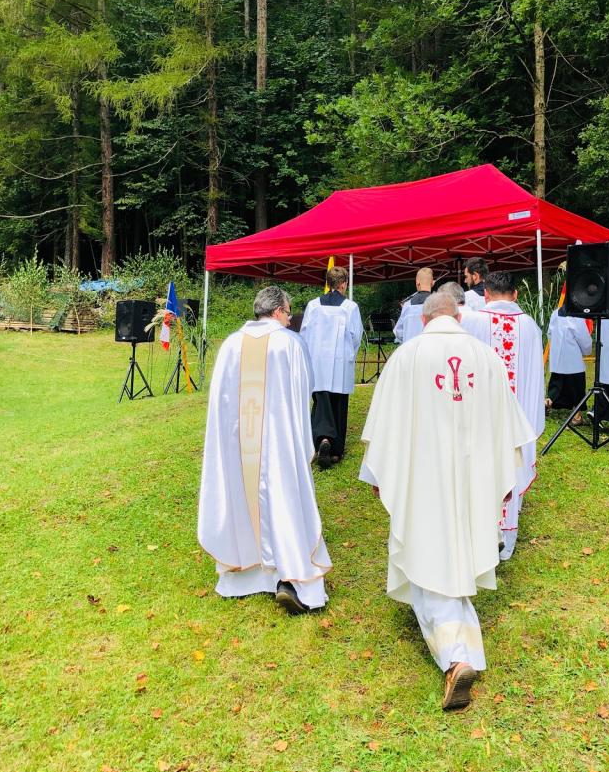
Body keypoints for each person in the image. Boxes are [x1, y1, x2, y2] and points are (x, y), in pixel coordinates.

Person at [359, 291, 534, 711]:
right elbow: (508, 428)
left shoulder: (406, 356)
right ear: (458, 316)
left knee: (427, 555)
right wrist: (504, 478)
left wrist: (379, 475)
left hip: (423, 474)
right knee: (452, 555)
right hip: (473, 475)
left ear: (423, 320)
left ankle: (457, 657)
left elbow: (384, 427)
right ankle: (462, 651)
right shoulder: (486, 357)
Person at [198, 286, 331, 613]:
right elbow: (303, 392)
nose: (289, 319)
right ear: (278, 311)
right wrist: (301, 439)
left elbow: (220, 401)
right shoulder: (289, 343)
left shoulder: (231, 344)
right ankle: (291, 577)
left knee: (243, 498)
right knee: (284, 502)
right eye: (288, 312)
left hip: (239, 441)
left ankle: (245, 576)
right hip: (278, 442)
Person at [460, 271, 545, 559]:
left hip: (480, 415)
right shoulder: (530, 327)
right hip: (519, 415)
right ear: (515, 294)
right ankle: (505, 542)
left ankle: (478, 536)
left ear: (485, 294)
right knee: (512, 466)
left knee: (480, 473)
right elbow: (536, 376)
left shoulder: (471, 322)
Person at [300, 266, 363, 468]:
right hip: (339, 362)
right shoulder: (350, 307)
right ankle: (335, 450)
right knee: (338, 403)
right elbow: (356, 336)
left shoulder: (313, 306)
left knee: (321, 401)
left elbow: (304, 334)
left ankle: (322, 440)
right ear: (344, 284)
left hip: (318, 361)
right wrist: (349, 355)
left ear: (327, 283)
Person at [546, 304, 592, 424]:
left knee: (557, 385)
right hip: (573, 359)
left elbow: (549, 333)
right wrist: (587, 351)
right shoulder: (577, 316)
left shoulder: (555, 313)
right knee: (576, 389)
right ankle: (577, 416)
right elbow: (583, 338)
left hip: (557, 359)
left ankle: (548, 402)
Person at [393, 267, 435, 344]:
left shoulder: (407, 305)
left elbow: (398, 332)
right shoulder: (438, 304)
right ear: (432, 283)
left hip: (410, 349)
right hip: (430, 348)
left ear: (417, 282)